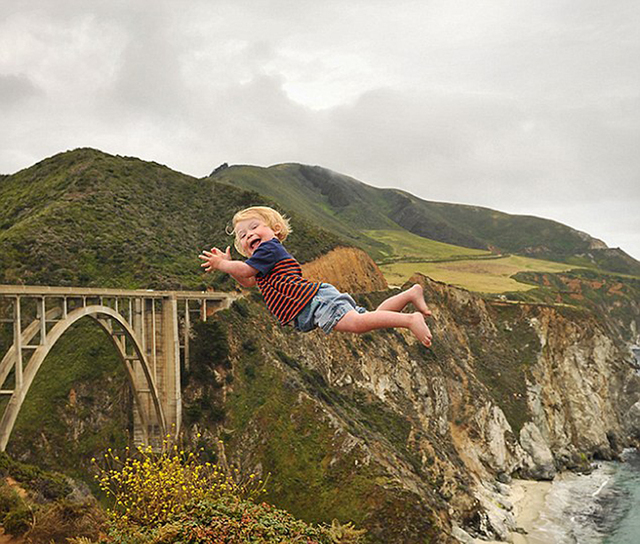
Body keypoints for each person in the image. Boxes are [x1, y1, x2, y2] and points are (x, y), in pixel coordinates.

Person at [198, 206, 432, 347]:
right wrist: (229, 265)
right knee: (371, 317)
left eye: (254, 227)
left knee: (359, 324)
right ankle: (411, 293)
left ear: (275, 230)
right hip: (315, 302)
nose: (248, 234)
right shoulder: (261, 261)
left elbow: (245, 271)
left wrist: (222, 265)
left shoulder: (269, 248)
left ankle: (410, 320)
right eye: (242, 235)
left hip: (315, 302)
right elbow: (248, 280)